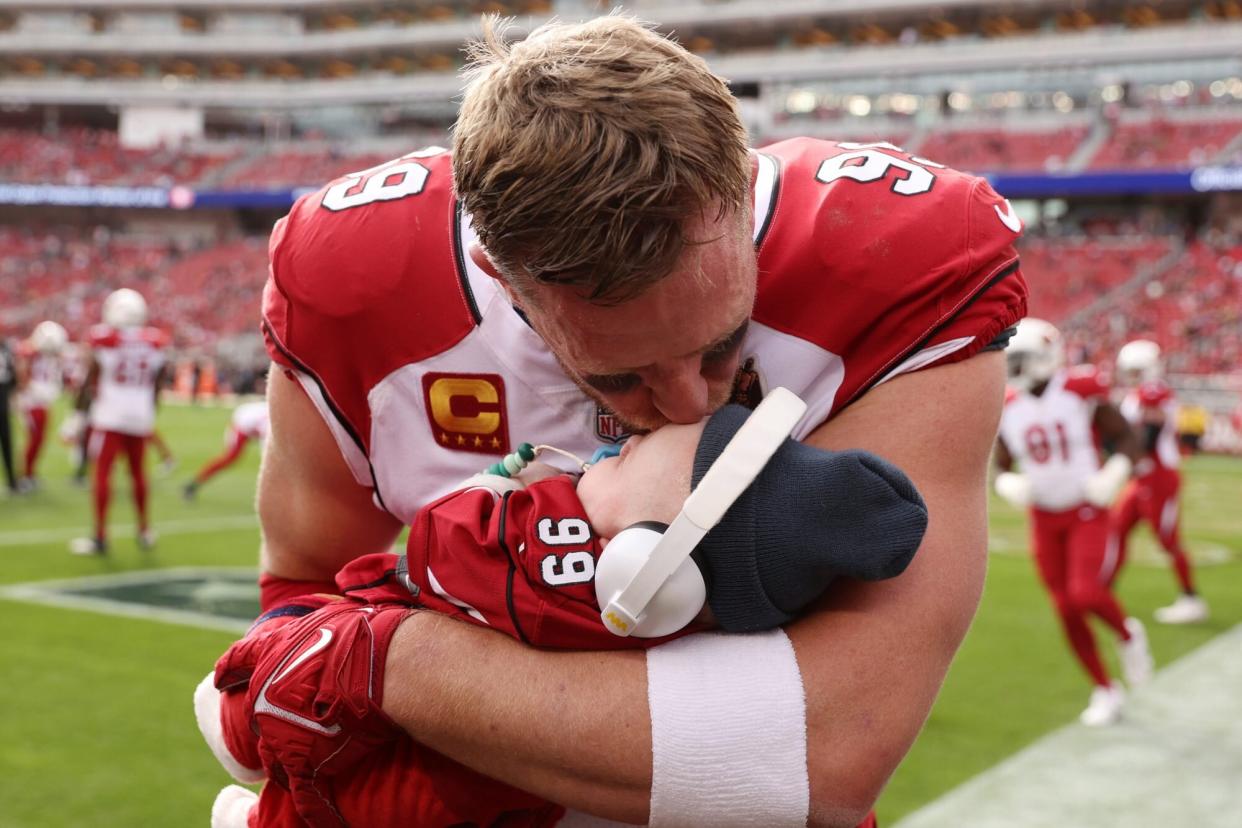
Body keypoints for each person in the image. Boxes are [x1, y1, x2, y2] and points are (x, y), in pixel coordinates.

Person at [210, 15, 1027, 826]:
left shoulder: (901, 258)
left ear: (741, 203)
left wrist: (386, 662)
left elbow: (824, 753)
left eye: (719, 350)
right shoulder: (355, 276)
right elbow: (302, 582)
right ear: (502, 276)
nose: (688, 407)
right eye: (620, 375)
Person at [202, 398, 930, 826]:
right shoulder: (690, 638)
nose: (599, 456)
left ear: (642, 566)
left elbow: (438, 548)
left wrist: (502, 484)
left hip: (420, 781)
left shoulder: (551, 571)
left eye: (621, 461)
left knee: (300, 723)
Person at [994, 319, 1153, 727]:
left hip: (1085, 508)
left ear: (1048, 354)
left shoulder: (1081, 392)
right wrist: (1009, 483)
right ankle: (1104, 689)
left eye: (1023, 358)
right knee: (1065, 607)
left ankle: (1127, 634)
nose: (1016, 366)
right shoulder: (1008, 405)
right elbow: (1001, 467)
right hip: (1044, 516)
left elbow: (1129, 439)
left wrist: (1114, 472)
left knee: (1085, 593)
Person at [1111, 339, 1208, 624]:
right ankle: (1102, 588)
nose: (1130, 376)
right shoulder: (1139, 392)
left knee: (1167, 539)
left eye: (1134, 370)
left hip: (1158, 475)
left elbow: (1150, 432)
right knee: (1116, 528)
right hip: (1143, 476)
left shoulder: (1153, 392)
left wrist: (1124, 459)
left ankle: (1191, 598)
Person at [69, 288, 170, 555]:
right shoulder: (155, 340)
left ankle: (100, 536)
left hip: (110, 415)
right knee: (138, 473)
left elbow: (91, 377)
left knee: (102, 473)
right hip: (141, 415)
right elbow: (158, 382)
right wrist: (149, 409)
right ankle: (144, 531)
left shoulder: (104, 338)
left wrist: (78, 413)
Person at [15, 320, 68, 492]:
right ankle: (25, 475)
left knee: (40, 439)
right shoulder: (29, 351)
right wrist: (32, 390)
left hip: (42, 401)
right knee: (35, 438)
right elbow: (21, 374)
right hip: (30, 401)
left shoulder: (48, 353)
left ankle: (30, 474)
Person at [184, 400, 269, 501]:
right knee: (230, 457)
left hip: (252, 420)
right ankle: (194, 484)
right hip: (242, 424)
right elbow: (267, 457)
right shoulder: (269, 426)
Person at [0, 335, 16, 495]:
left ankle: (12, 481)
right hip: (3, 401)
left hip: (3, 402)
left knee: (7, 442)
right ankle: (12, 482)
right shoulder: (5, 349)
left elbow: (12, 376)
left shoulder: (5, 349)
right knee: (6, 442)